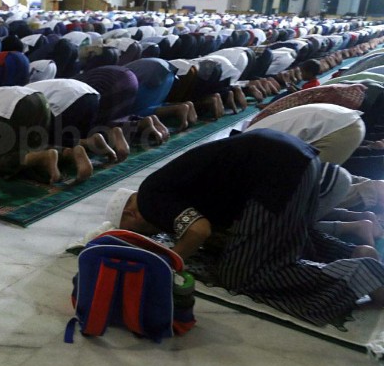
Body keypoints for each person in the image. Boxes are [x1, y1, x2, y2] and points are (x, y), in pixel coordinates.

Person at [105, 129, 384, 326]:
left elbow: (198, 231)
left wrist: (165, 266)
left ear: (131, 212)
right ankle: (352, 252)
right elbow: (214, 228)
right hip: (296, 161)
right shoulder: (162, 189)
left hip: (276, 171)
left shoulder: (150, 198)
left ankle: (360, 274)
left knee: (238, 274)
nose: (150, 236)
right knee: (283, 238)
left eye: (139, 233)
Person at [0, 85, 93, 183]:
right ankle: (69, 153)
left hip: (12, 106)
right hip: (38, 100)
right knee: (33, 148)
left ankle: (44, 157)